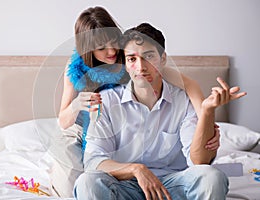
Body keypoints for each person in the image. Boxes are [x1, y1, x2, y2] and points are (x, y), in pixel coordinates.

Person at [55, 6, 218, 197]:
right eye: (101, 48)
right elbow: (63, 122)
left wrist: (205, 120)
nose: (111, 52)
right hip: (81, 125)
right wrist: (77, 105)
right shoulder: (77, 69)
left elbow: (189, 85)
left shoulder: (136, 60)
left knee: (210, 176)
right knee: (79, 181)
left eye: (113, 42)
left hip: (164, 173)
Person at [73, 23, 247, 200]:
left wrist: (207, 111)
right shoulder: (107, 101)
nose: (141, 67)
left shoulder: (184, 100)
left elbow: (199, 162)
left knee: (211, 177)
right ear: (125, 64)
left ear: (162, 58)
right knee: (88, 181)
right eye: (132, 59)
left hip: (173, 186)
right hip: (124, 186)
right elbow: (94, 161)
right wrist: (136, 169)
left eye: (148, 57)